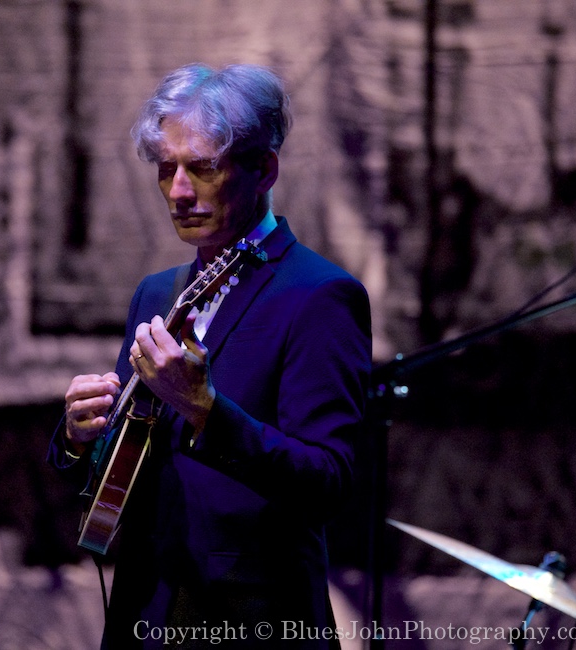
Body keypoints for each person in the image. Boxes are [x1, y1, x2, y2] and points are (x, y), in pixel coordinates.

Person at [49, 62, 372, 648]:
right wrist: (79, 436)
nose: (177, 191)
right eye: (166, 169)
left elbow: (330, 482)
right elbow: (121, 467)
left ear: (262, 169)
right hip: (145, 616)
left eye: (202, 168)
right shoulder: (156, 292)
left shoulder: (319, 295)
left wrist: (207, 410)